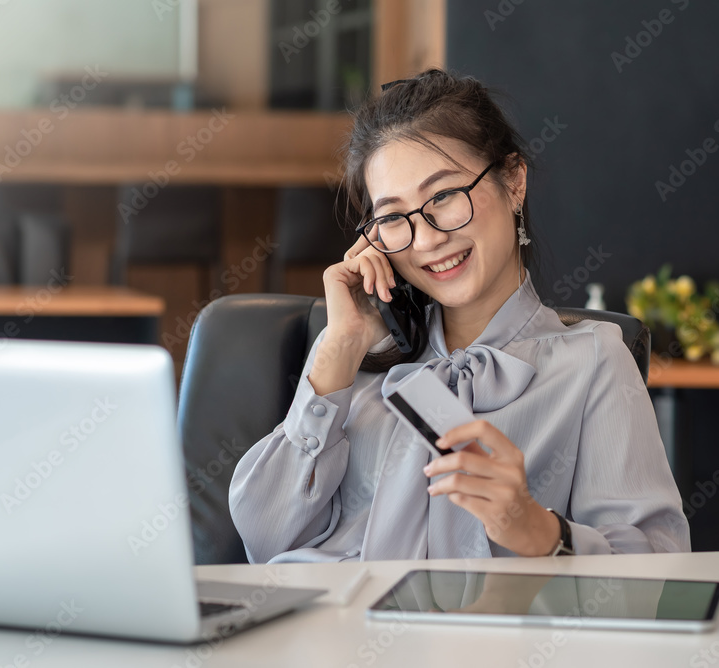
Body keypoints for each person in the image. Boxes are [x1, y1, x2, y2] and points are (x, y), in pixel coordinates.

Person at [229, 69, 690, 563]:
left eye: (444, 196)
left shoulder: (594, 361)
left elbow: (656, 569)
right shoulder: (353, 358)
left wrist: (539, 530)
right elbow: (263, 541)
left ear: (514, 181)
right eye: (392, 217)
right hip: (325, 609)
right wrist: (341, 346)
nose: (427, 240)